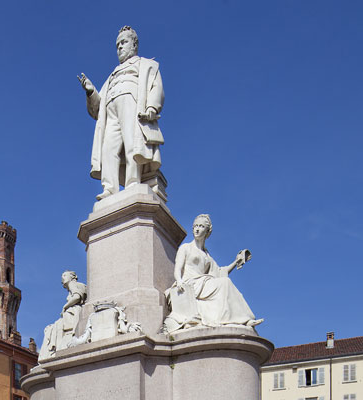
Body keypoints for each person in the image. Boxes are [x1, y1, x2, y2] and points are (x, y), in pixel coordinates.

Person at [79, 26, 164, 200]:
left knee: (132, 141)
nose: (119, 47)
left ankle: (133, 181)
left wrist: (151, 108)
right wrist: (91, 92)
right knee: (108, 148)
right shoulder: (112, 76)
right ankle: (110, 188)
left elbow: (157, 88)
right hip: (110, 109)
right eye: (117, 44)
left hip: (131, 101)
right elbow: (96, 108)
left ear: (134, 44)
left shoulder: (146, 65)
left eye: (123, 42)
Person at [164, 214, 263, 333]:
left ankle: (244, 319)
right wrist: (179, 281)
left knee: (225, 282)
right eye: (195, 226)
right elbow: (177, 269)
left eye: (201, 226)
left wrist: (236, 261)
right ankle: (243, 319)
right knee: (225, 283)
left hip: (203, 282)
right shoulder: (186, 248)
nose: (197, 229)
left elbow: (220, 272)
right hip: (189, 284)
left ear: (207, 231)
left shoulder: (207, 255)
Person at [39, 271, 88, 360]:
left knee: (50, 330)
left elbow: (77, 297)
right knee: (52, 328)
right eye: (62, 276)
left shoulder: (72, 284)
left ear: (73, 277)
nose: (63, 277)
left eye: (65, 275)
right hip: (76, 313)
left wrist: (65, 307)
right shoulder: (80, 285)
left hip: (73, 313)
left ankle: (49, 353)